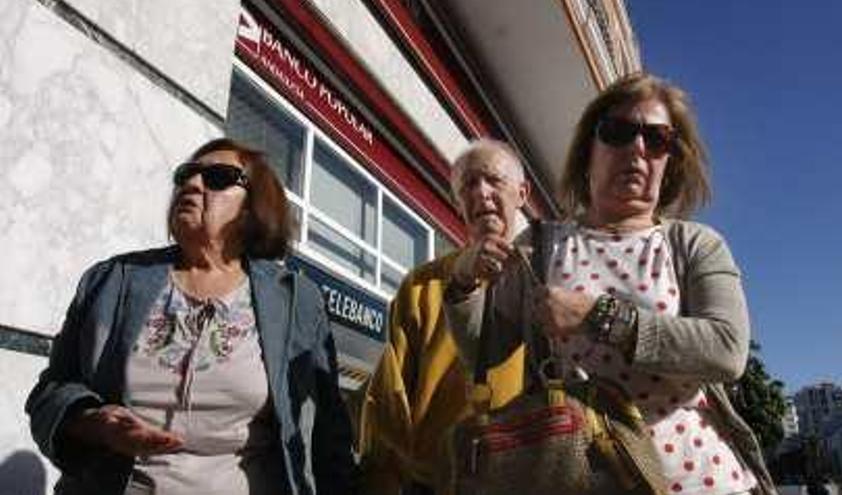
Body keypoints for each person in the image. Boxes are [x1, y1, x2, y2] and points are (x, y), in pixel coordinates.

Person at [444, 73, 777, 494]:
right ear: (588, 151)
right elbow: (485, 351)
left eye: (657, 140)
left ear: (670, 160)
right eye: (618, 132)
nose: (638, 148)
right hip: (577, 477)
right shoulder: (541, 247)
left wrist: (598, 315)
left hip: (700, 480)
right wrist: (463, 285)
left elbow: (727, 350)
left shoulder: (694, 243)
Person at [26, 138, 356, 494]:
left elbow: (328, 434)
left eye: (218, 177)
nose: (193, 184)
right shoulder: (110, 280)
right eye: (187, 175)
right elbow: (51, 391)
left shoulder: (297, 302)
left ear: (253, 206)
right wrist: (92, 421)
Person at [358, 139, 531, 495]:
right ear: (458, 204)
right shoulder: (421, 286)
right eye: (468, 184)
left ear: (522, 193)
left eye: (493, 180)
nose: (481, 192)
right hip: (431, 484)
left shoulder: (545, 280)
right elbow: (389, 401)